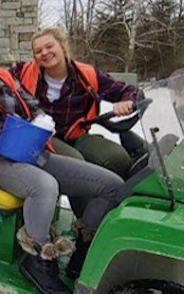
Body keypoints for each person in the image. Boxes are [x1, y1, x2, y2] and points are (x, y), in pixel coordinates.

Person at [0, 30, 124, 294]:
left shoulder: (5, 79)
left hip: (30, 151)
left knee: (111, 185)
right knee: (44, 186)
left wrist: (41, 119)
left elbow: (31, 104)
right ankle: (38, 261)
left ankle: (83, 248)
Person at [10, 27, 144, 180]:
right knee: (75, 165)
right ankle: (83, 204)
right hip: (41, 137)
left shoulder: (86, 75)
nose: (44, 53)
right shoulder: (24, 73)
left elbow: (129, 91)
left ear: (62, 45)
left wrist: (127, 101)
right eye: (38, 51)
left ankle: (113, 200)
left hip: (77, 135)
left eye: (49, 46)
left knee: (117, 158)